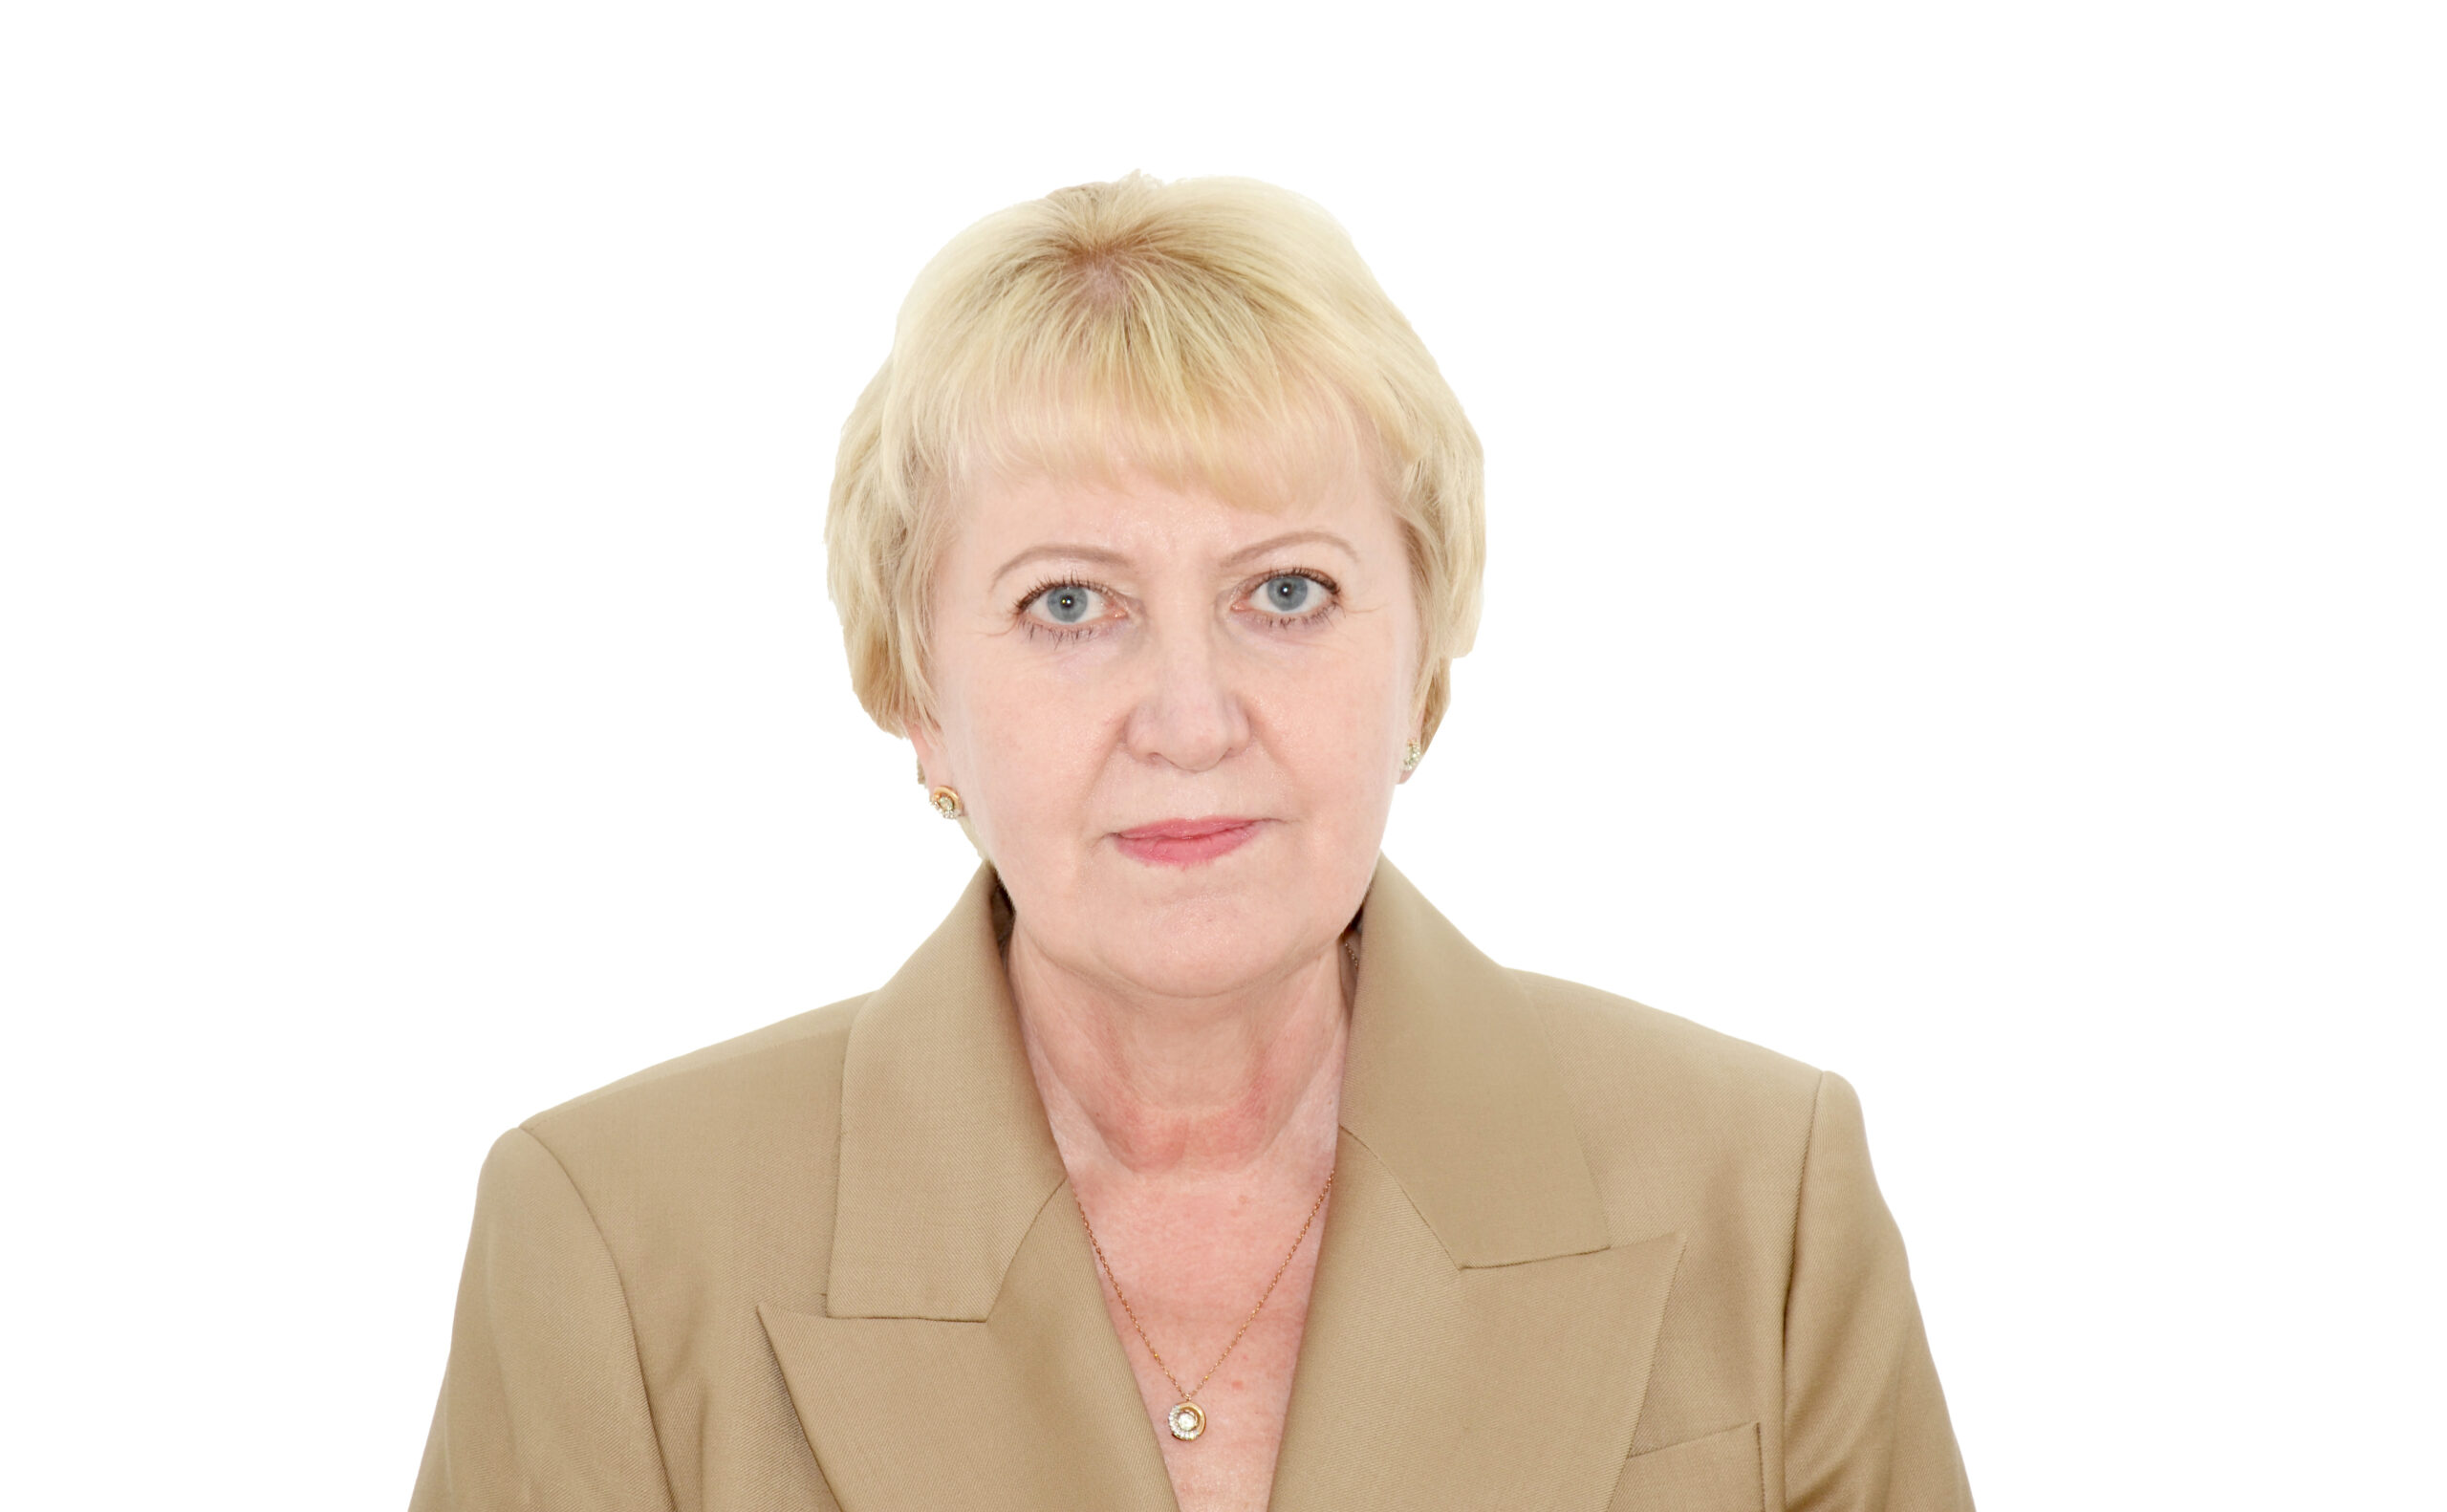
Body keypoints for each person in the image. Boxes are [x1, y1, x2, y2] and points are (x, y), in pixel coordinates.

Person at [410, 174, 1974, 1512]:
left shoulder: (1761, 1193)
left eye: (1285, 593)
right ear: (916, 695)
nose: (1190, 717)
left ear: (1424, 663)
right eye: (1068, 604)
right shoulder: (613, 1243)